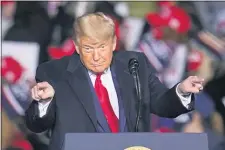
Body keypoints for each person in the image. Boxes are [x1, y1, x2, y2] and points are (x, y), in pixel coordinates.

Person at [25, 12, 204, 150]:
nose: (96, 57)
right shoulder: (54, 74)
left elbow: (162, 103)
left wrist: (181, 91)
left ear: (113, 43)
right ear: (77, 47)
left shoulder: (135, 66)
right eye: (88, 48)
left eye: (102, 47)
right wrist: (44, 102)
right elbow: (37, 125)